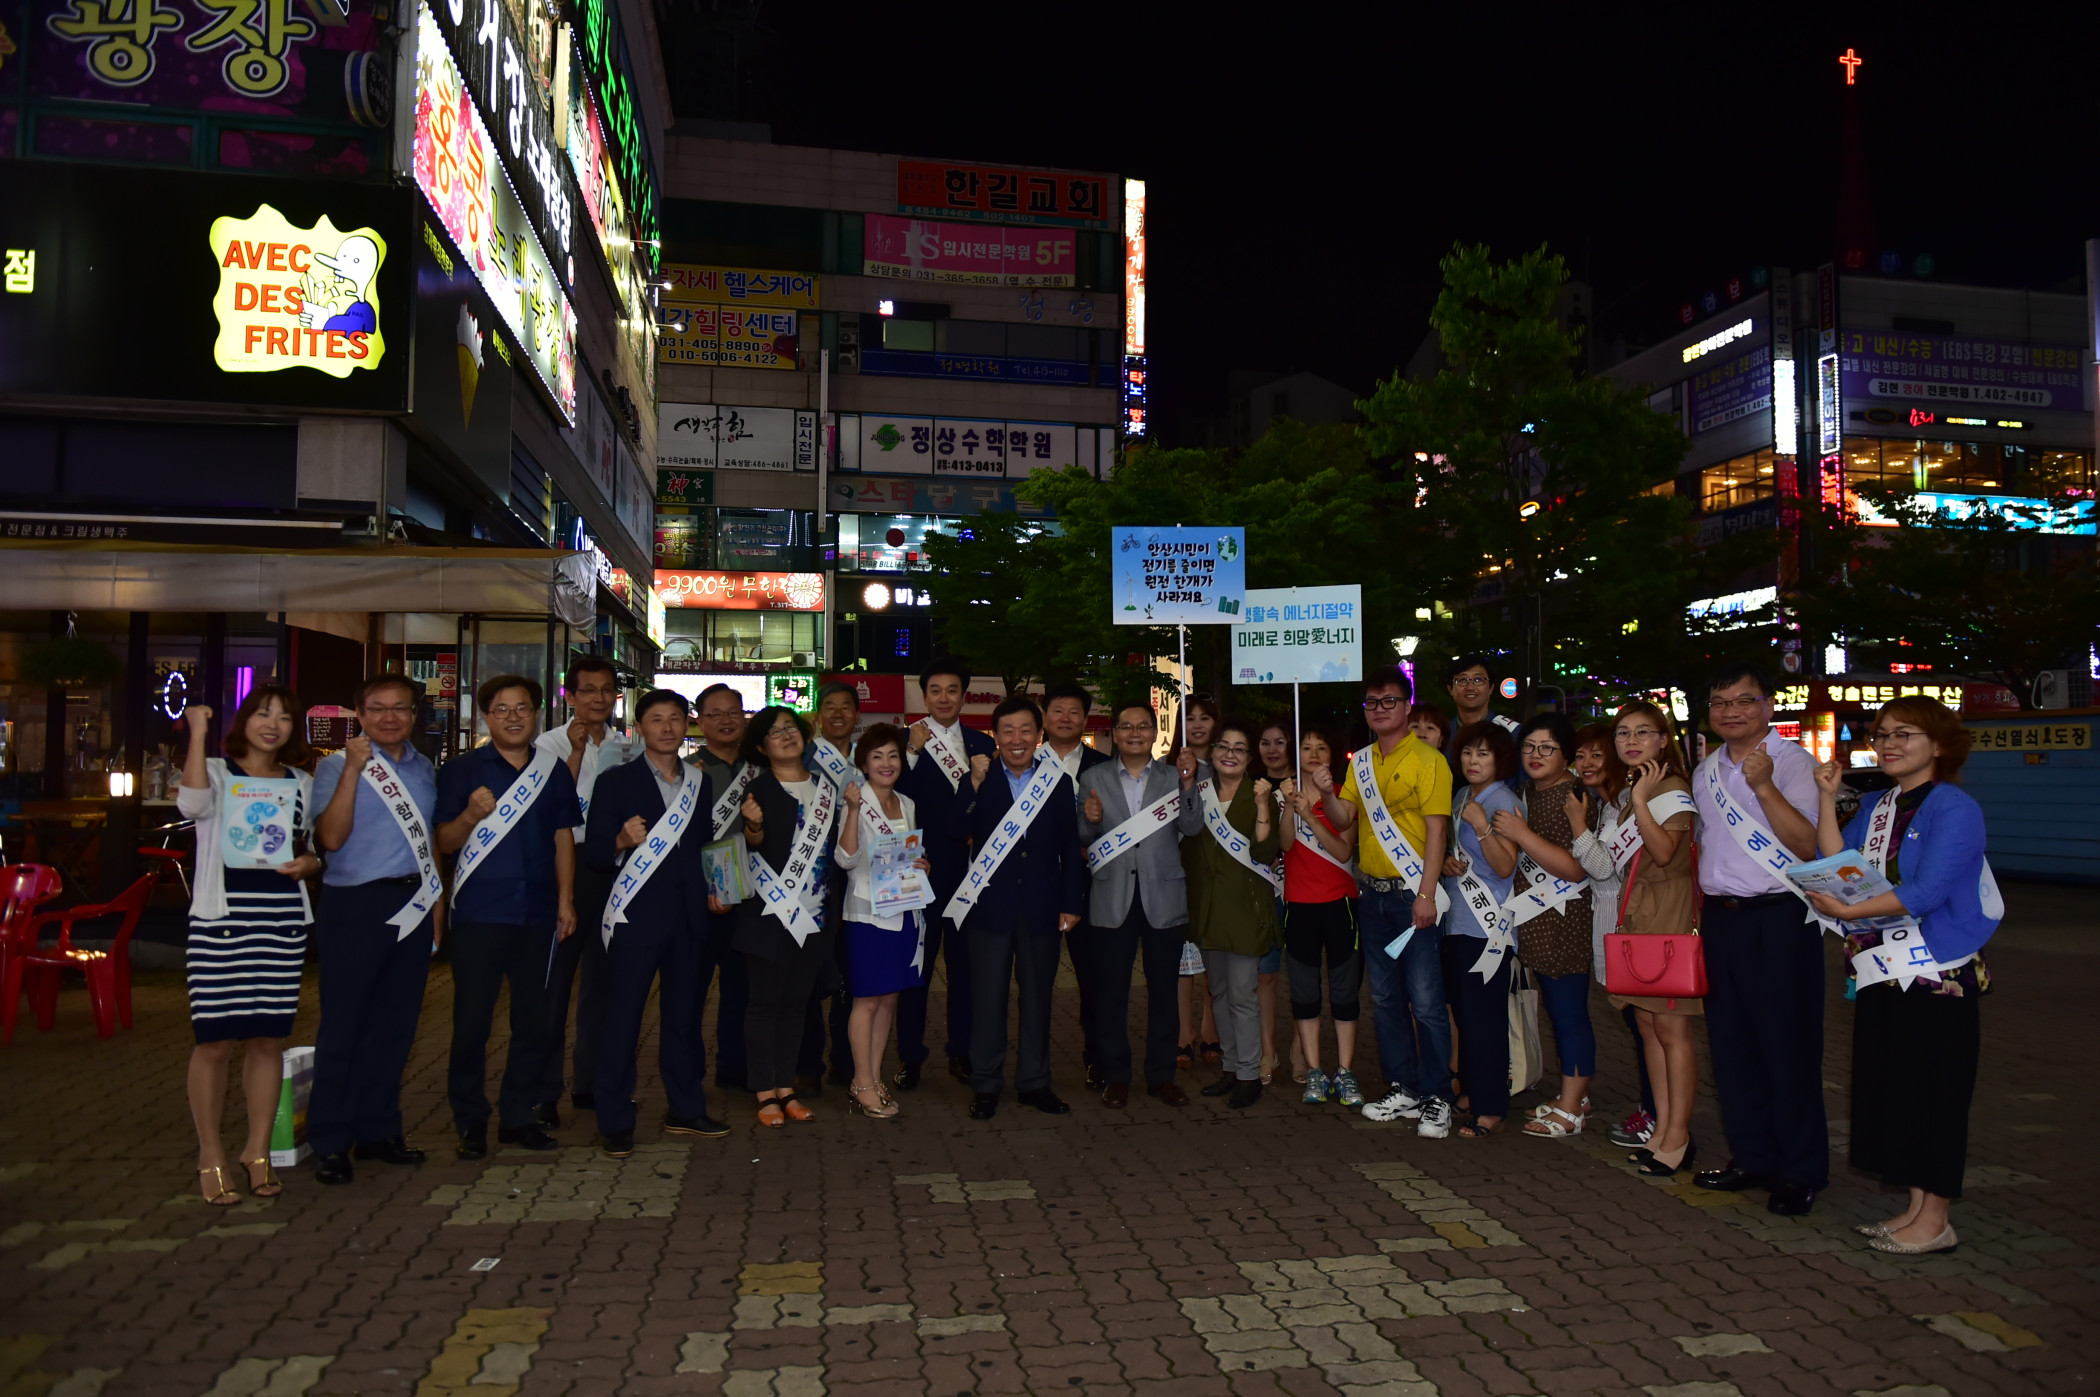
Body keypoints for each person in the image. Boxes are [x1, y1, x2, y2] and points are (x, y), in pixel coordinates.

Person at [1808, 697, 1996, 1256]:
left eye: (1904, 734)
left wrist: (1846, 913)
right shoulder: (1880, 803)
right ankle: (1916, 1208)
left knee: (1935, 1092)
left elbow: (1928, 892)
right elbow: (1838, 858)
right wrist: (1825, 797)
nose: (1888, 743)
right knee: (1896, 1088)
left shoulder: (1953, 807)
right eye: (1882, 734)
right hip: (1883, 970)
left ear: (1938, 744)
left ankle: (1935, 1218)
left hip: (1937, 972)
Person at [1690, 661, 1826, 1215]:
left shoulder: (1795, 763)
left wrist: (1764, 786)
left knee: (1787, 1046)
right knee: (1732, 1045)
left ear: (1768, 706)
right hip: (1722, 920)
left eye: (1743, 701)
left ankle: (1800, 1171)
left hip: (1779, 919)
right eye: (1721, 702)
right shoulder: (1705, 771)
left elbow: (1807, 844)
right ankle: (1752, 1155)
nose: (1731, 712)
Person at [177, 691, 320, 1205]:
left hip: (280, 924)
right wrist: (196, 730)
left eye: (285, 717)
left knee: (266, 1040)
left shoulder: (302, 782)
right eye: (264, 713)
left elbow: (311, 846)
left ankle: (257, 1151)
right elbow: (190, 806)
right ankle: (210, 1152)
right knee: (214, 1041)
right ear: (245, 720)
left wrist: (311, 864)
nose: (274, 724)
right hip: (221, 924)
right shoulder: (215, 772)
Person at [433, 675, 580, 1159]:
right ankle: (470, 1120)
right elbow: (446, 843)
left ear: (537, 714)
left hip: (538, 914)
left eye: (523, 708)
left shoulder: (553, 770)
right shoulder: (460, 770)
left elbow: (563, 837)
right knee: (472, 1022)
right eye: (502, 709)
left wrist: (566, 900)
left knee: (533, 1021)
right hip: (479, 913)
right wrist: (471, 815)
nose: (513, 717)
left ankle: (519, 1116)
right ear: (486, 716)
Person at [308, 675, 443, 1185]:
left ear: (414, 715)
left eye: (400, 709)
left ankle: (380, 1130)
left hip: (411, 901)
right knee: (344, 1026)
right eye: (378, 709)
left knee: (395, 1025)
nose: (390, 717)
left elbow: (426, 838)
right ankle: (330, 1139)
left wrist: (436, 904)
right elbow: (332, 838)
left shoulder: (425, 768)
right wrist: (353, 772)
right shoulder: (334, 767)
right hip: (354, 905)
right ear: (359, 715)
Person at [585, 690, 725, 1157]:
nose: (667, 727)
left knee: (684, 1019)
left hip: (688, 920)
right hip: (635, 918)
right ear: (640, 727)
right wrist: (621, 841)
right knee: (622, 1019)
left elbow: (703, 845)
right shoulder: (615, 781)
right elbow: (595, 852)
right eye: (656, 719)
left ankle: (686, 1108)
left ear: (687, 726)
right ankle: (615, 1120)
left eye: (675, 719)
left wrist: (718, 891)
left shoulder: (699, 783)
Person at [1323, 666, 1455, 1138]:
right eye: (1372, 703)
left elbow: (1438, 831)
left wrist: (1425, 894)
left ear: (1407, 705)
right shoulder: (1360, 762)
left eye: (1389, 701)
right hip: (1373, 895)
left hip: (1411, 897)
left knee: (1426, 1000)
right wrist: (1323, 791)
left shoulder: (1429, 760)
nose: (1379, 709)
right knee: (1384, 999)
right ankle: (1404, 1086)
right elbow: (1345, 820)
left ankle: (1438, 1094)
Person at [954, 696, 1085, 1119]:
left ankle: (1034, 1082)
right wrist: (972, 786)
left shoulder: (1058, 782)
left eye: (1026, 731)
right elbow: (958, 829)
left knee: (1037, 999)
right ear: (995, 736)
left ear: (1039, 735)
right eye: (1007, 731)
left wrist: (1071, 902)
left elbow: (1070, 846)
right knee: (987, 999)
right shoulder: (979, 778)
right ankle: (986, 1084)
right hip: (989, 908)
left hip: (1043, 908)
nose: (1017, 739)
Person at [1077, 701, 1204, 1109]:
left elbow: (1192, 826)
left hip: (1163, 897)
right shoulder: (1092, 777)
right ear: (1114, 733)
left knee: (1165, 992)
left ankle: (1161, 1076)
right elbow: (1082, 835)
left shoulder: (1173, 776)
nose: (1135, 732)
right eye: (1127, 726)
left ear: (1154, 733)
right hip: (1112, 897)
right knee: (1110, 993)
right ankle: (1116, 1076)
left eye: (1144, 726)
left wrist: (1188, 785)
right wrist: (1091, 820)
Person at [1595, 703, 1701, 1175]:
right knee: (1647, 1027)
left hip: (1670, 913)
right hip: (1638, 913)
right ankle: (1660, 1127)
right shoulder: (1632, 788)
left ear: (1664, 739)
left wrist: (1640, 803)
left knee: (1673, 1029)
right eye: (1622, 733)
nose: (1631, 740)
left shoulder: (1671, 789)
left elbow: (1662, 853)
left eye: (1643, 732)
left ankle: (1678, 1135)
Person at [535, 657, 639, 1124]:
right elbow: (551, 807)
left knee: (602, 983)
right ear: (569, 696)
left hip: (610, 870)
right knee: (554, 988)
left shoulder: (624, 747)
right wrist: (574, 754)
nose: (598, 698)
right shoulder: (549, 743)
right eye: (588, 690)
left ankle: (590, 1083)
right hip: (563, 870)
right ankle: (544, 1093)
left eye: (606, 690)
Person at [1489, 714, 1597, 1139]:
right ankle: (1574, 1093)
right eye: (1529, 747)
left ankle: (1572, 1108)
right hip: (1533, 920)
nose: (1535, 755)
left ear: (1566, 753)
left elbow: (1575, 868)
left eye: (1546, 748)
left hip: (1567, 920)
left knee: (1570, 1014)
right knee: (1556, 1011)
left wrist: (1520, 832)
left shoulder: (1576, 794)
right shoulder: (1522, 793)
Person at [734, 706, 843, 1126]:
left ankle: (788, 1088)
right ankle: (765, 1092)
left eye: (790, 728)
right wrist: (753, 828)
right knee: (764, 1005)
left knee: (797, 1005)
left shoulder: (826, 790)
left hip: (814, 919)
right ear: (762, 747)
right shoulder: (757, 790)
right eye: (774, 732)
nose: (785, 736)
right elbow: (748, 849)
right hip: (768, 917)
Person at [893, 658, 998, 1090]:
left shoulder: (981, 744)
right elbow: (893, 797)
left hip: (966, 874)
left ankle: (962, 1052)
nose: (943, 698)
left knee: (964, 970)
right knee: (914, 969)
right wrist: (913, 753)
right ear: (924, 695)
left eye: (952, 690)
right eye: (934, 690)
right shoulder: (903, 742)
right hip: (915, 870)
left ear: (964, 695)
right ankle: (910, 1057)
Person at [829, 723, 930, 1119]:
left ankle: (870, 1077)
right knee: (866, 1000)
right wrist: (853, 811)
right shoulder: (856, 802)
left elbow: (909, 854)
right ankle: (863, 1081)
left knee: (889, 998)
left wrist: (923, 863)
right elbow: (846, 859)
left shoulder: (906, 803)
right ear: (864, 764)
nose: (886, 763)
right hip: (867, 914)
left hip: (903, 911)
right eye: (877, 757)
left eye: (892, 755)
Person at [1565, 724, 1657, 1149]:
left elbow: (1603, 868)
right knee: (1635, 1024)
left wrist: (1578, 827)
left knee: (1646, 1028)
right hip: (1609, 925)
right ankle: (1653, 1110)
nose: (1586, 764)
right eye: (1580, 756)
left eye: (1596, 756)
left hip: (1629, 927)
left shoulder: (1623, 804)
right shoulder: (1605, 805)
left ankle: (1657, 1114)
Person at [1186, 717, 1285, 1109]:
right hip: (1208, 911)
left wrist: (1262, 806)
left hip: (1245, 911)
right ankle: (1230, 1067)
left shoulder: (1259, 796)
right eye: (1223, 747)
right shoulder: (1198, 791)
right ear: (1212, 752)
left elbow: (1265, 854)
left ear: (1249, 758)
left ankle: (1249, 1073)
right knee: (1219, 993)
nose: (1230, 754)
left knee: (1243, 995)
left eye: (1239, 749)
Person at [1438, 721, 1521, 1137]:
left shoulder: (1502, 800)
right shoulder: (1461, 795)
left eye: (1484, 753)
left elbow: (1506, 865)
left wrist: (1482, 826)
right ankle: (1471, 1089)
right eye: (1469, 752)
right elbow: (1458, 852)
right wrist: (1448, 864)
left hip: (1488, 927)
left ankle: (1491, 1106)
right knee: (1466, 1015)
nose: (1474, 760)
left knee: (1485, 1018)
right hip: (1458, 920)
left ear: (1500, 759)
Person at [1283, 727, 1364, 1108]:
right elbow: (1283, 846)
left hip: (1340, 904)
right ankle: (1314, 1069)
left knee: (1345, 991)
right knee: (1304, 991)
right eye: (1305, 746)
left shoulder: (1346, 794)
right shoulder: (1290, 793)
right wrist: (1288, 807)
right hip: (1298, 904)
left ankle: (1345, 1071)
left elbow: (1344, 851)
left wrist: (1311, 818)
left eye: (1321, 746)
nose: (1313, 753)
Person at [1040, 682, 1113, 1088]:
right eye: (1057, 710)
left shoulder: (1105, 767)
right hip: (1040, 888)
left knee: (1094, 978)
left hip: (1092, 885)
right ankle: (1036, 1064)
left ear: (1085, 719)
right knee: (1037, 979)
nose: (1065, 718)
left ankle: (1098, 1058)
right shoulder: (1024, 764)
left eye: (1074, 712)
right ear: (1044, 717)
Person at [799, 681, 863, 1094]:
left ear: (857, 716)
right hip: (812, 874)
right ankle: (807, 1065)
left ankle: (846, 1060)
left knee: (852, 973)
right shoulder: (804, 755)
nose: (838, 713)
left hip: (860, 876)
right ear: (820, 714)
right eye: (830, 707)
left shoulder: (872, 757)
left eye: (846, 707)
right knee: (809, 971)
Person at [689, 682, 752, 1092]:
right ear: (700, 721)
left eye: (733, 712)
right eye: (715, 714)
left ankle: (736, 1068)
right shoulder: (688, 771)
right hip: (698, 898)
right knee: (690, 990)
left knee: (741, 989)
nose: (726, 720)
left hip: (749, 897)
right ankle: (689, 1074)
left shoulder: (760, 768)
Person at [1172, 693, 1224, 1066]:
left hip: (1220, 870)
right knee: (1182, 956)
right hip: (1179, 871)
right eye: (1190, 718)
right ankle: (1181, 1030)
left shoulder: (1226, 767)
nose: (1198, 724)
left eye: (1206, 718)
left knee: (1212, 954)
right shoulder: (1166, 768)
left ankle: (1210, 1027)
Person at [1254, 720, 1299, 1084]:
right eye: (1265, 742)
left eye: (1280, 742)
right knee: (1265, 976)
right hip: (1265, 894)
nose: (1272, 749)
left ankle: (1301, 1049)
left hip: (1302, 893)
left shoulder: (1305, 786)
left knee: (1302, 976)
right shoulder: (1253, 789)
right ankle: (1267, 1050)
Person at [1442, 655, 1520, 758]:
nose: (1470, 687)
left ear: (1491, 688)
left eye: (1478, 680)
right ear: (1450, 689)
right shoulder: (1442, 734)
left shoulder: (1512, 732)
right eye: (1462, 680)